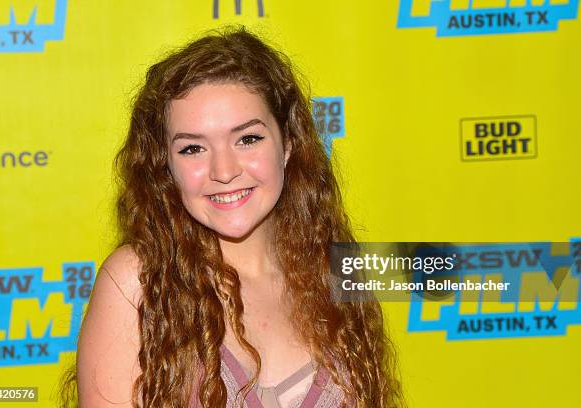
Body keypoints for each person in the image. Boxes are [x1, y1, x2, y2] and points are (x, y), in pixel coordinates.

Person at [69, 26, 403, 408]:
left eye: (247, 139)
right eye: (192, 148)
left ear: (288, 145)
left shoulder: (334, 269)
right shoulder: (137, 282)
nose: (224, 170)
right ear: (166, 166)